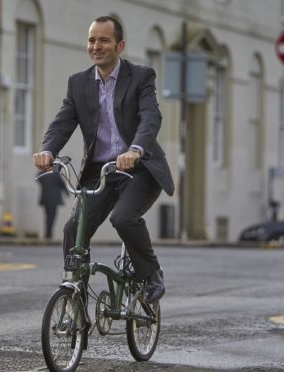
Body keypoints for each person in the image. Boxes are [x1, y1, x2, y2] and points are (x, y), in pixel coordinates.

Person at [32, 16, 174, 304]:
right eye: (92, 40)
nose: (96, 46)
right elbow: (62, 123)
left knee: (123, 218)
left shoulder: (141, 77)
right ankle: (76, 293)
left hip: (139, 169)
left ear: (119, 45)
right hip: (100, 172)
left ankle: (151, 274)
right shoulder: (78, 83)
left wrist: (135, 149)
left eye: (104, 40)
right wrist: (48, 150)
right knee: (74, 228)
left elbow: (151, 116)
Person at [37, 171, 66, 240]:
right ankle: (49, 234)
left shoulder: (42, 174)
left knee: (47, 217)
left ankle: (48, 233)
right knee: (52, 217)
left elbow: (39, 179)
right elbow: (62, 184)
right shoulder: (55, 174)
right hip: (54, 199)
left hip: (46, 198)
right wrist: (66, 192)